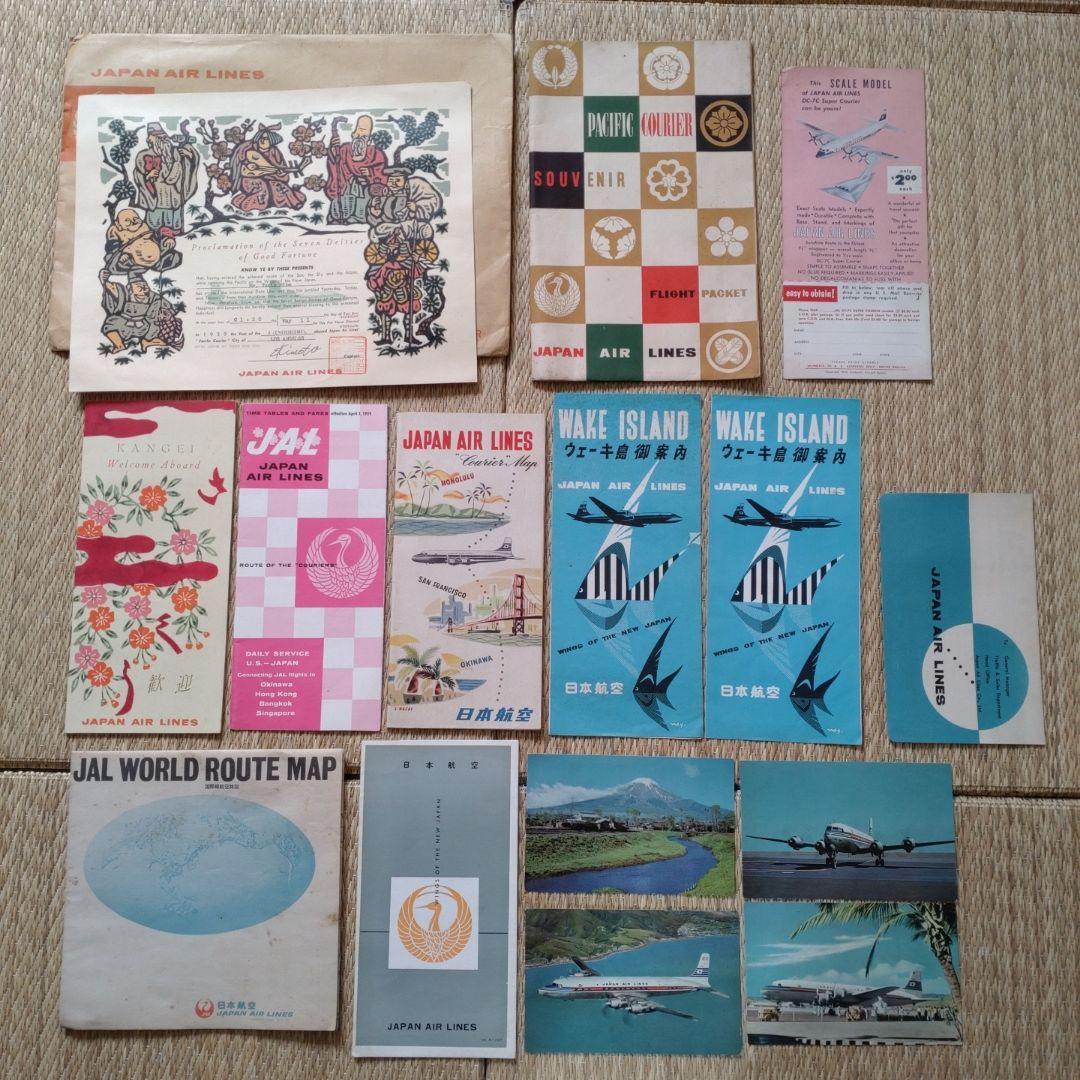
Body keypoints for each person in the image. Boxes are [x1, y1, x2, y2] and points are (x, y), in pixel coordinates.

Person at [132, 123, 200, 233]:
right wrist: (148, 175)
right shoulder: (143, 155)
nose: (162, 140)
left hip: (174, 196)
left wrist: (190, 155)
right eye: (157, 137)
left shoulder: (175, 153)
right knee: (154, 227)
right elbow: (138, 174)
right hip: (157, 198)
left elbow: (191, 162)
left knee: (173, 227)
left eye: (163, 137)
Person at [227, 123, 306, 212]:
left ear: (271, 141)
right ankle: (251, 206)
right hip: (250, 179)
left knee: (280, 187)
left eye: (266, 139)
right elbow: (244, 168)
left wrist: (281, 174)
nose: (262, 141)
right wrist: (248, 165)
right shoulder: (250, 151)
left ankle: (293, 202)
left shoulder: (274, 151)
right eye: (261, 138)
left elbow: (280, 168)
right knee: (262, 187)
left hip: (271, 177)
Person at [326, 115, 388, 224]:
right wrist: (333, 149)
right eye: (357, 135)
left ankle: (360, 218)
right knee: (346, 201)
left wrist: (371, 173)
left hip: (366, 187)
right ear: (353, 135)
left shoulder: (377, 154)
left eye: (364, 137)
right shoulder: (345, 149)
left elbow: (383, 172)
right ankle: (341, 217)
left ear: (369, 139)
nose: (360, 139)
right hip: (348, 186)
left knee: (363, 203)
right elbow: (335, 163)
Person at [98, 270, 180, 353]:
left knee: (156, 326)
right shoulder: (125, 294)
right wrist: (103, 280)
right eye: (138, 286)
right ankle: (119, 345)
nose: (143, 288)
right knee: (110, 324)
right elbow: (111, 288)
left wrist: (165, 313)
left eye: (145, 285)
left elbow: (166, 306)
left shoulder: (153, 297)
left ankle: (146, 342)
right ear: (130, 287)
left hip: (143, 325)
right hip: (123, 323)